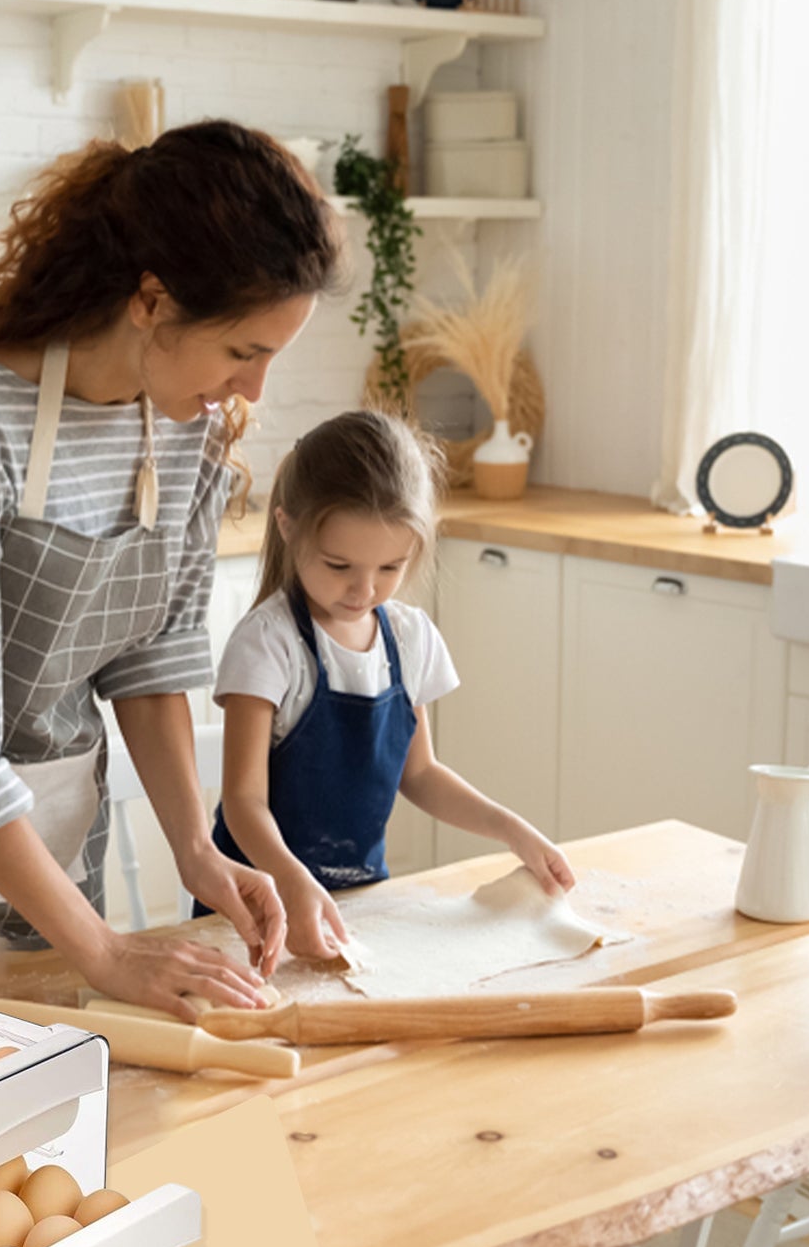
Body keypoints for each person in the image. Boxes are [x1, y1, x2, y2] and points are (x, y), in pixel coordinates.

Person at [0, 121, 344, 1018]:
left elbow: (151, 662)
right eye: (245, 351)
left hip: (52, 842)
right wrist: (109, 951)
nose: (255, 391)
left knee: (38, 1119)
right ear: (152, 300)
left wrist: (197, 851)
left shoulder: (187, 423)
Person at [206, 409, 576, 959]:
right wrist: (288, 877)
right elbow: (243, 800)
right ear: (287, 527)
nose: (363, 589)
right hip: (256, 906)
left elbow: (420, 774)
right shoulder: (269, 644)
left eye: (389, 568)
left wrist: (510, 829)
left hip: (362, 898)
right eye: (339, 566)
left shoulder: (408, 637)